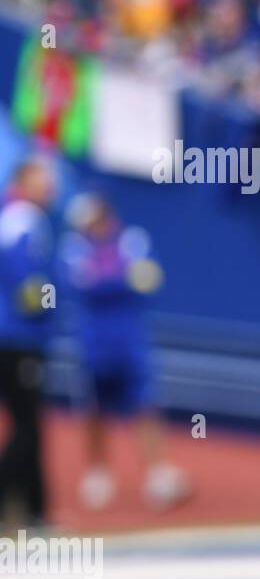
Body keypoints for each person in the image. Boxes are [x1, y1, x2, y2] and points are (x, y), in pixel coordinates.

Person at [60, 193, 190, 510]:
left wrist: (109, 280)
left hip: (131, 343)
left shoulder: (133, 240)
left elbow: (149, 280)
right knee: (93, 410)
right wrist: (122, 279)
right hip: (93, 345)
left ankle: (157, 475)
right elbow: (82, 285)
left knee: (145, 406)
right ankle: (97, 473)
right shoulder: (73, 247)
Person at [0, 158, 56, 530]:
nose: (50, 187)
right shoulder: (23, 221)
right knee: (27, 426)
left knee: (30, 424)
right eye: (42, 180)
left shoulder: (14, 217)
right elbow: (30, 289)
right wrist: (55, 300)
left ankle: (35, 512)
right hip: (19, 339)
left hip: (17, 336)